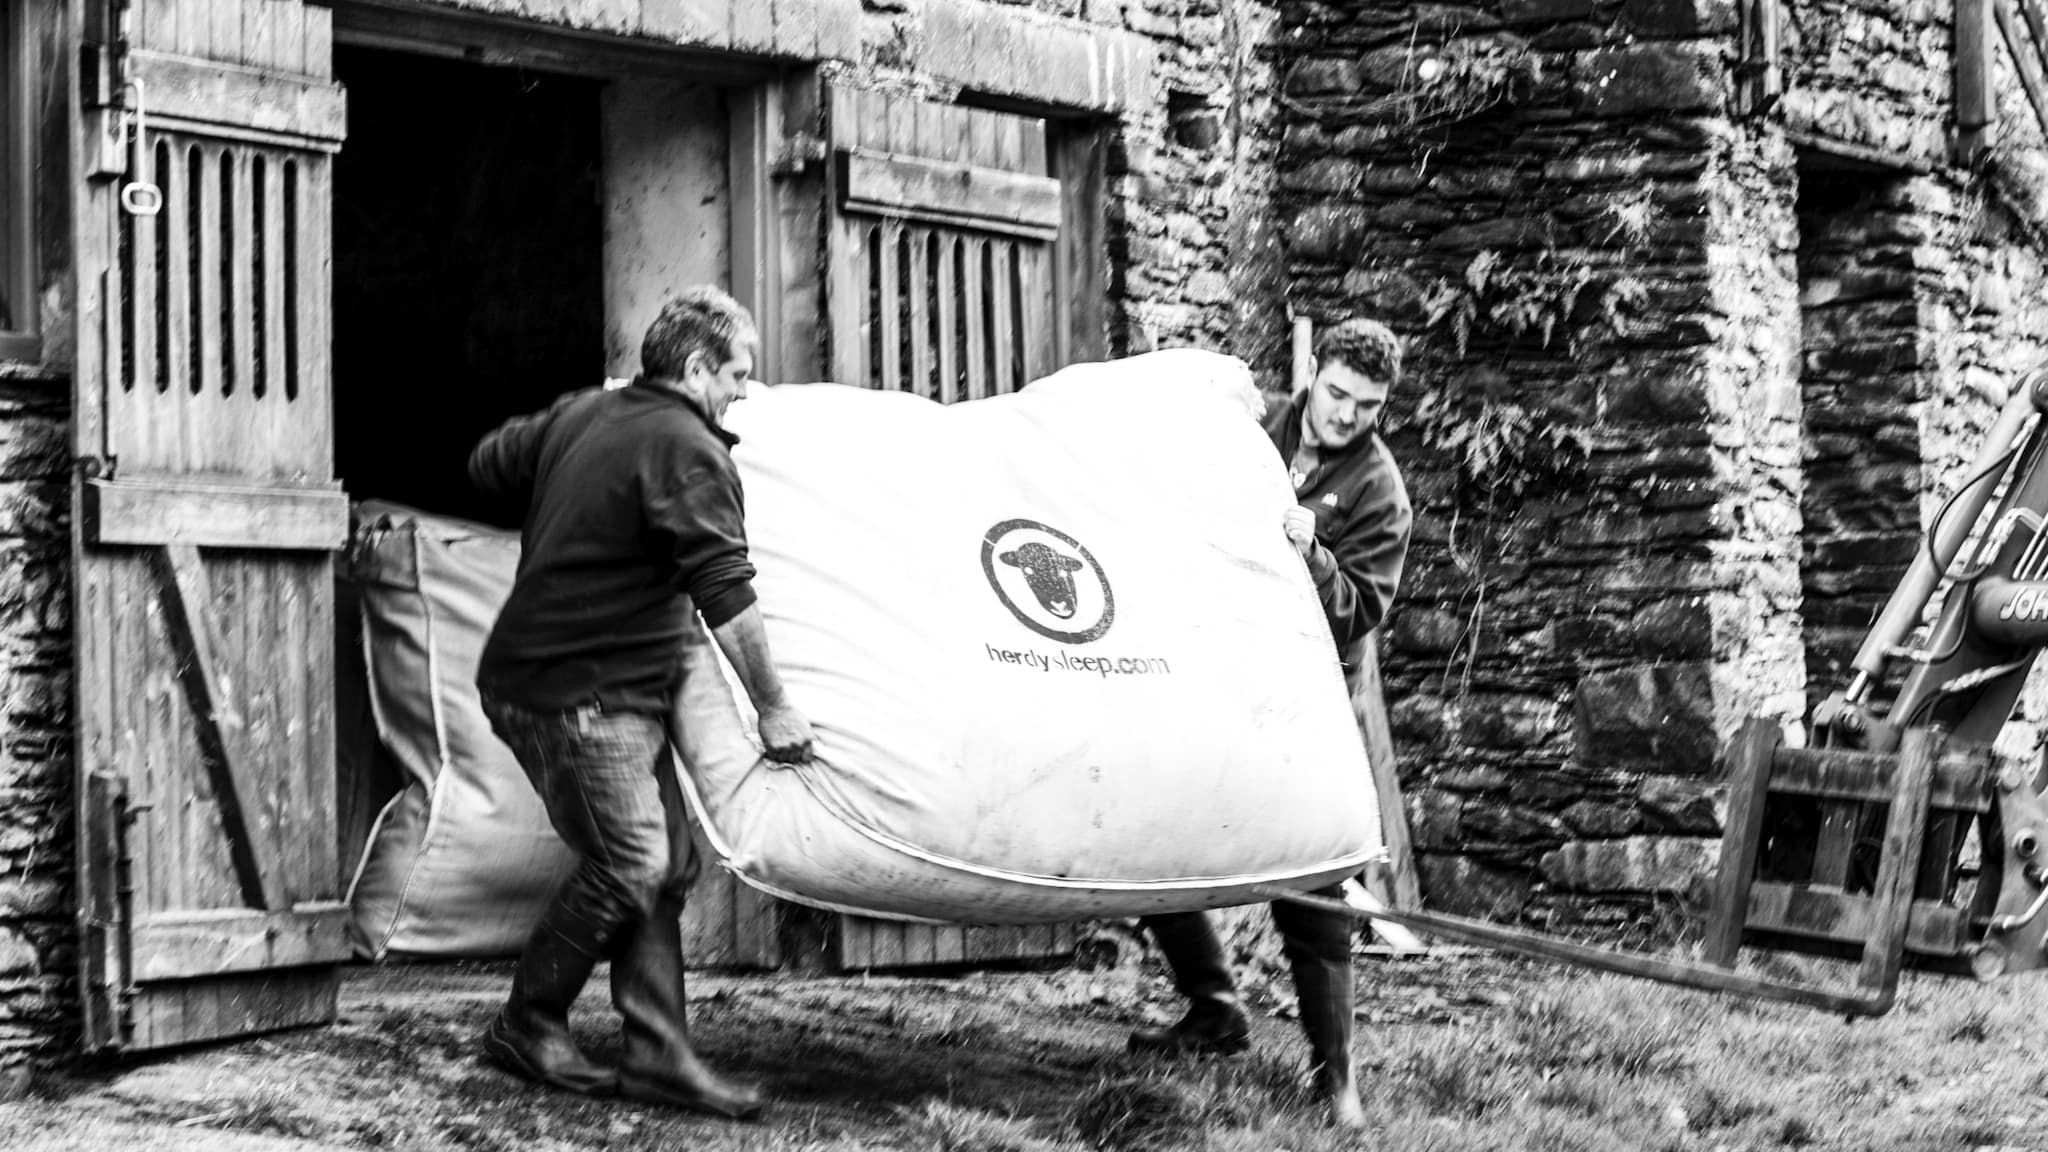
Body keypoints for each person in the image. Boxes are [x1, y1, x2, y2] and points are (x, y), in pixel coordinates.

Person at [469, 286, 814, 1121]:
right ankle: (526, 1023)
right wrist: (773, 707)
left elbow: (489, 464)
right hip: (575, 692)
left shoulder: (589, 414)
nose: (744, 391)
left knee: (662, 867)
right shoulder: (689, 450)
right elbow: (724, 591)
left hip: (591, 681)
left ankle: (660, 1057)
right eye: (737, 374)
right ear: (697, 369)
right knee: (632, 864)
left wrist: (584, 491)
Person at [1129, 317, 1413, 1129]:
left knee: (1314, 883)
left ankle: (1336, 1080)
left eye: (1367, 405)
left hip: (1303, 703)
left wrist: (1314, 553)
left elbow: (1358, 616)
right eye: (1336, 394)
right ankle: (1215, 1012)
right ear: (1313, 374)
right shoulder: (1251, 427)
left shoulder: (1379, 492)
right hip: (1215, 675)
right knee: (1157, 838)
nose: (1347, 415)